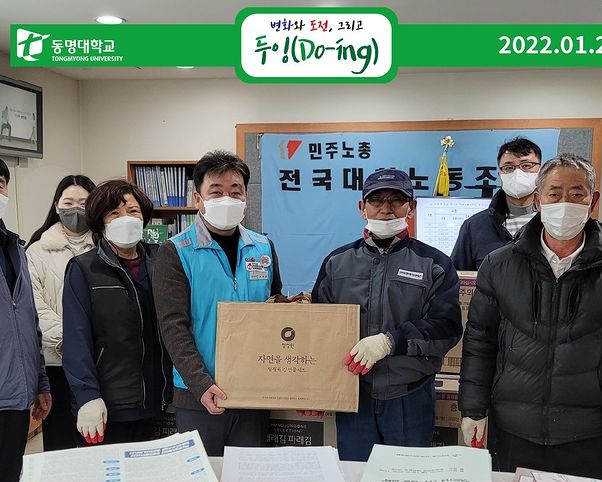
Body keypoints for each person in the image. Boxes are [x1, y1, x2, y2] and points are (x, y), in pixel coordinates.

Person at [459, 154, 602, 481]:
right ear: (539, 200)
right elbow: (479, 342)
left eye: (577, 193)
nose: (565, 203)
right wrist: (473, 409)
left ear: (592, 200)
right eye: (555, 194)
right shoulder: (499, 265)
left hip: (588, 435)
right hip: (513, 430)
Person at [312, 168, 462, 462]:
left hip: (410, 397)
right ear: (362, 207)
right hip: (354, 397)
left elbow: (446, 327)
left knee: (405, 481)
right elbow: (317, 331)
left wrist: (390, 341)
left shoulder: (434, 264)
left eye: (396, 199)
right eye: (376, 200)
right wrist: (316, 388)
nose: (385, 208)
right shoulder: (336, 263)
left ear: (411, 207)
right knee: (357, 478)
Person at [153, 150, 283, 456]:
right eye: (216, 191)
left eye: (235, 191)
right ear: (198, 199)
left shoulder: (263, 247)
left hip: (254, 391)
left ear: (245, 198)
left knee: (248, 478)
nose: (227, 199)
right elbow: (173, 327)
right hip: (198, 395)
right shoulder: (176, 251)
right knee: (203, 478)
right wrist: (200, 383)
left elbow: (276, 313)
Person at [62, 179, 172, 446]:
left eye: (133, 211)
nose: (126, 218)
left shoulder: (162, 261)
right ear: (100, 222)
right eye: (114, 213)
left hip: (159, 400)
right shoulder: (83, 269)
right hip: (107, 406)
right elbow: (76, 340)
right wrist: (87, 396)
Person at [26, 175, 96, 451]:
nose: (75, 209)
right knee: (60, 442)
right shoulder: (36, 251)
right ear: (56, 206)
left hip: (98, 361)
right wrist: (72, 341)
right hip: (56, 361)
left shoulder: (104, 246)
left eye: (83, 203)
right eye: (68, 203)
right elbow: (34, 307)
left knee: (96, 440)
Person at [0, 158, 51, 482]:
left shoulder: (15, 247)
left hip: (17, 397)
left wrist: (41, 382)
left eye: (0, 184)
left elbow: (29, 322)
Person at [451, 138, 542, 271]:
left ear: (540, 171)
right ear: (500, 175)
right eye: (509, 167)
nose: (518, 173)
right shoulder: (475, 226)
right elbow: (458, 277)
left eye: (527, 165)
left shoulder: (554, 222)